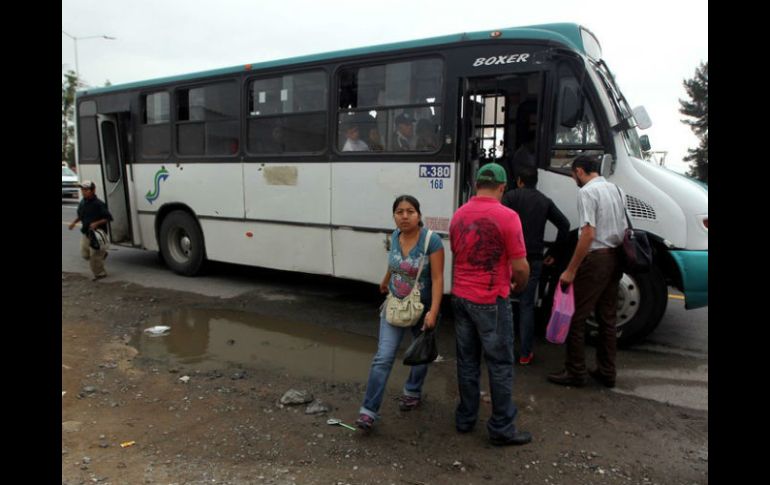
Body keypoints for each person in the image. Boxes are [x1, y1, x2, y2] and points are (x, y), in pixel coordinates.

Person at [449, 163, 532, 446]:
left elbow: (458, 252)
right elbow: (521, 268)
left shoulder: (458, 215)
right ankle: (501, 428)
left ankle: (465, 418)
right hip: (490, 300)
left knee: (467, 361)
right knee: (499, 364)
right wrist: (516, 287)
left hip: (460, 297)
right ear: (502, 187)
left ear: (475, 185)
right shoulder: (508, 217)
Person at [356, 195, 445, 430]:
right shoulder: (395, 235)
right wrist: (386, 280)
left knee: (420, 354)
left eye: (410, 211)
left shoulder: (431, 241)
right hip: (395, 304)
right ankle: (368, 411)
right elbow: (393, 263)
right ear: (394, 215)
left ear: (419, 215)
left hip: (423, 308)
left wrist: (433, 311)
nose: (404, 216)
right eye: (399, 212)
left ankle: (413, 392)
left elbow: (437, 279)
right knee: (383, 358)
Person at [547, 155, 627, 389]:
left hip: (596, 259)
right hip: (615, 257)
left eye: (573, 175)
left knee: (575, 316)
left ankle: (575, 372)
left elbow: (588, 234)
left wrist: (570, 270)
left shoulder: (587, 193)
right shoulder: (616, 190)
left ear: (580, 171)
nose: (574, 180)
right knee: (607, 319)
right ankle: (607, 371)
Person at [501, 165, 570, 365]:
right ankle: (525, 354)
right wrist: (554, 252)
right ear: (535, 182)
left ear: (520, 181)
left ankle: (502, 351)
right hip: (534, 260)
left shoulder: (510, 197)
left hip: (510, 259)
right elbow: (564, 225)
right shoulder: (544, 201)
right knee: (527, 306)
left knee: (502, 302)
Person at [68, 180, 113, 281]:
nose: (83, 192)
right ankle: (102, 255)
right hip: (86, 232)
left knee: (94, 258)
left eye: (86, 190)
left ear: (93, 190)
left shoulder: (99, 204)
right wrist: (74, 223)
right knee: (85, 254)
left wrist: (96, 223)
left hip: (97, 234)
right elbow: (80, 215)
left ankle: (100, 273)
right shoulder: (83, 202)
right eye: (82, 189)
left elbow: (108, 218)